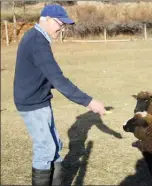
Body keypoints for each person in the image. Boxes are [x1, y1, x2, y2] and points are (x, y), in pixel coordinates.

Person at [13, 4, 106, 185]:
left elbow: (45, 75)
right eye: (60, 24)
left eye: (65, 25)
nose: (62, 28)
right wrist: (89, 102)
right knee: (45, 149)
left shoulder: (36, 37)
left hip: (40, 100)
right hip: (32, 103)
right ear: (46, 19)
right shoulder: (37, 42)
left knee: (54, 146)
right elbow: (57, 79)